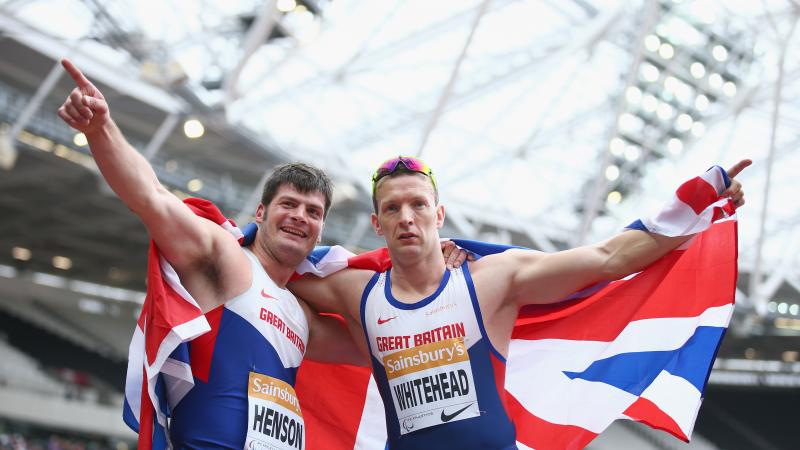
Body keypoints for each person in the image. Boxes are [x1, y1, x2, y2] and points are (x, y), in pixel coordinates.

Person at [56, 61, 467, 449]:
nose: (299, 217)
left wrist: (430, 266)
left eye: (313, 212)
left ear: (321, 230)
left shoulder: (301, 315)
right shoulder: (226, 261)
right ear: (260, 213)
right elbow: (152, 197)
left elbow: (383, 340)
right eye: (288, 204)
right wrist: (102, 129)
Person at [288, 155, 750, 449]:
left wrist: (698, 201)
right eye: (393, 209)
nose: (407, 217)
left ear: (439, 213)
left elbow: (611, 258)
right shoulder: (356, 292)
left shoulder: (493, 279)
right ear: (376, 223)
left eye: (418, 205)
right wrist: (248, 231)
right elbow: (277, 267)